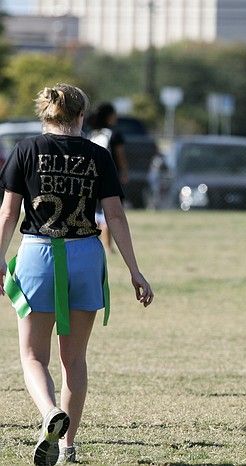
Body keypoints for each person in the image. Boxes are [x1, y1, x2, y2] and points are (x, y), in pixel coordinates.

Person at [0, 84, 154, 465]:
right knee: (75, 360)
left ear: (45, 114)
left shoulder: (25, 150)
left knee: (34, 355)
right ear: (82, 115)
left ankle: (50, 413)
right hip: (86, 254)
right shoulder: (98, 155)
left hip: (38, 254)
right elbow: (115, 216)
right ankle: (67, 445)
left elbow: (8, 213)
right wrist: (134, 270)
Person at [87, 102, 128, 253]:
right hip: (110, 177)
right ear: (109, 116)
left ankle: (98, 245)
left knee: (96, 213)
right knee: (110, 213)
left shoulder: (92, 133)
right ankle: (108, 246)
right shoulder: (114, 134)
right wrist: (124, 171)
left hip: (91, 177)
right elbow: (120, 155)